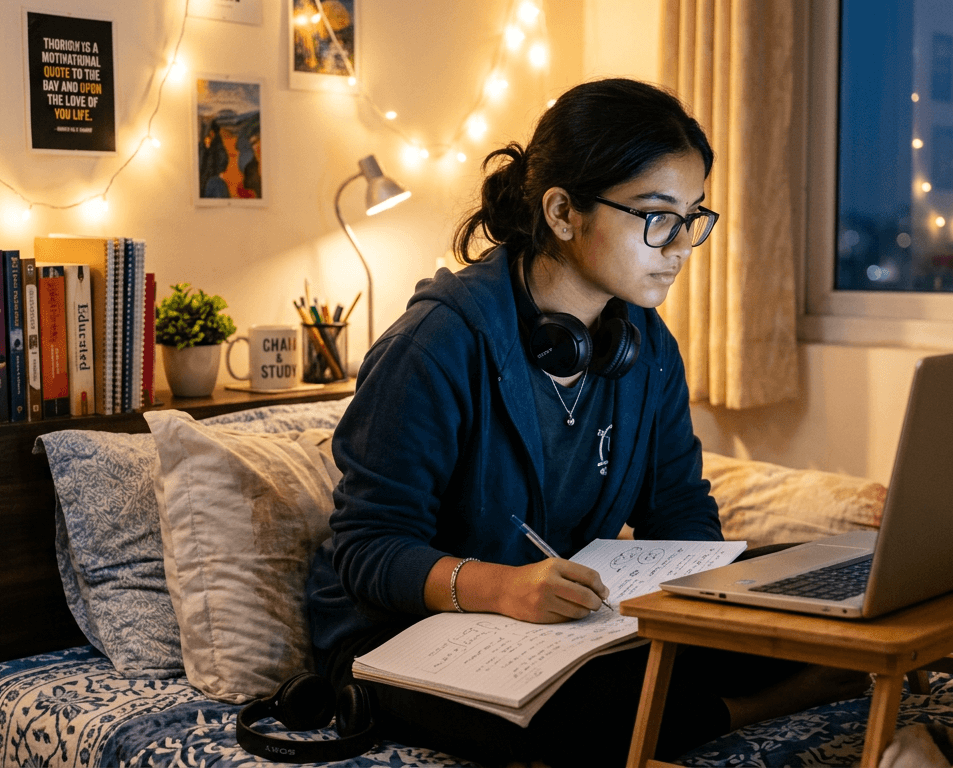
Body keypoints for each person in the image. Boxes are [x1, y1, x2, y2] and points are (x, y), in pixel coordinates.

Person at [306, 78, 867, 766]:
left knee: (813, 584)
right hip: (404, 637)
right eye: (657, 216)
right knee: (593, 712)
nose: (682, 245)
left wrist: (712, 603)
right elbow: (368, 551)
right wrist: (504, 588)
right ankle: (748, 708)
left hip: (558, 625)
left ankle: (718, 679)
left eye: (693, 217)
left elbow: (679, 509)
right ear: (564, 212)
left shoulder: (646, 346)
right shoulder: (436, 345)